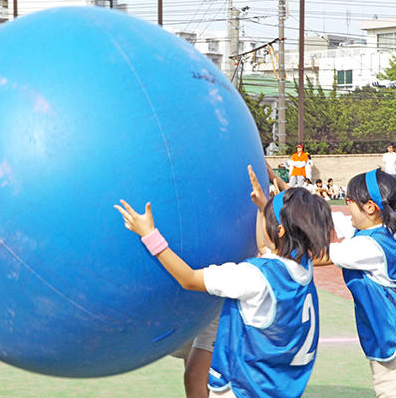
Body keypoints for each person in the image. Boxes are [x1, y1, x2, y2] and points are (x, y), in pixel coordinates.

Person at [114, 165, 333, 398]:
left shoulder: (252, 277)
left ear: (279, 230)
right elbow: (265, 247)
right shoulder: (302, 265)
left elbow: (188, 278)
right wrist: (262, 210)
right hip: (279, 389)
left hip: (242, 390)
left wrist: (149, 234)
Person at [316, 169, 396, 397]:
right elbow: (335, 220)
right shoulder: (379, 232)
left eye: (349, 200)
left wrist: (273, 252)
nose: (347, 205)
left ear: (370, 207)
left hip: (392, 344)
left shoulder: (369, 247)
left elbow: (318, 255)